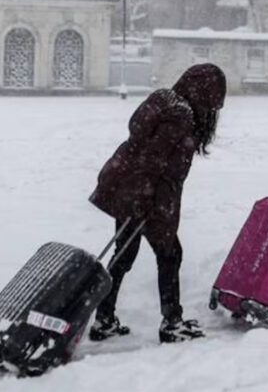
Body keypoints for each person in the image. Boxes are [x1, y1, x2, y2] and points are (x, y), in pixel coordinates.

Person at [88, 63, 227, 343]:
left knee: (124, 253)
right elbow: (154, 162)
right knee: (170, 254)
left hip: (127, 187)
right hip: (145, 194)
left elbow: (143, 148)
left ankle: (104, 319)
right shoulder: (181, 116)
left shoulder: (166, 99)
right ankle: (171, 323)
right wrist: (146, 201)